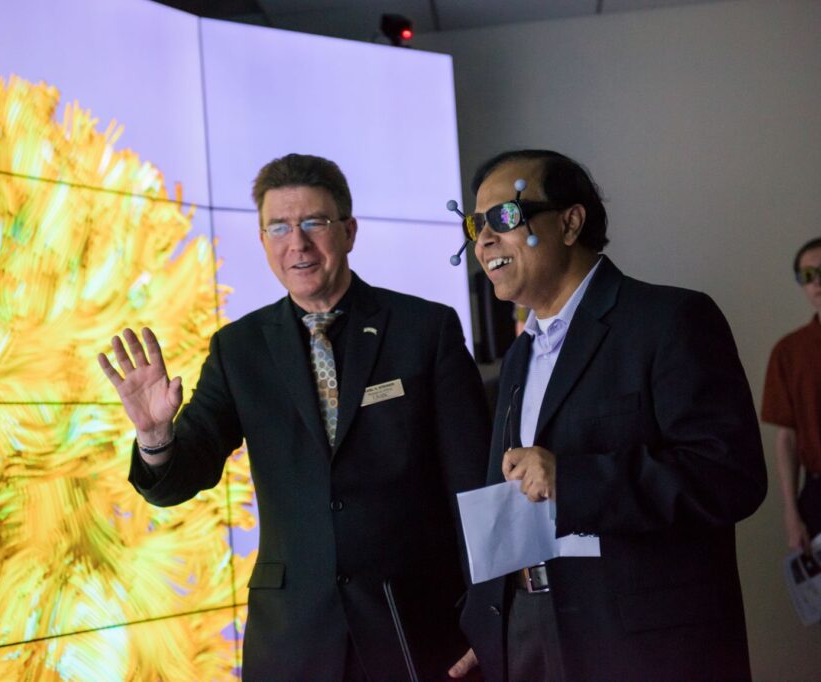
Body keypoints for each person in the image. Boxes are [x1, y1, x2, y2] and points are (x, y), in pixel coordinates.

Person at [97, 153, 491, 681]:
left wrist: (489, 616)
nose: (297, 244)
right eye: (278, 227)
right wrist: (154, 434)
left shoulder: (425, 330)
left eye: (313, 223)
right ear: (262, 241)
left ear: (349, 231)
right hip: (294, 639)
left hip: (418, 626)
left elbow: (477, 487)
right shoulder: (239, 349)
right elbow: (178, 478)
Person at [449, 149, 767, 681]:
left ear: (571, 222)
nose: (483, 240)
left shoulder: (670, 320)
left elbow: (730, 476)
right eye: (474, 225)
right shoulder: (519, 356)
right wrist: (490, 622)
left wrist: (572, 480)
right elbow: (511, 493)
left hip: (643, 646)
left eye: (504, 218)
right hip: (528, 632)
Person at [762, 237, 821, 554]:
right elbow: (787, 437)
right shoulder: (790, 352)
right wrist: (791, 512)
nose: (817, 283)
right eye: (808, 276)